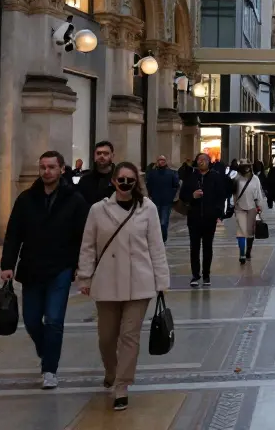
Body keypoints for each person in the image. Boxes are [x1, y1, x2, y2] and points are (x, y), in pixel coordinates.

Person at [77, 162, 169, 412]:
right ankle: (111, 370)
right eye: (122, 179)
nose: (126, 183)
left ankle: (122, 385)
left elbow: (156, 246)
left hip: (139, 280)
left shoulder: (147, 208)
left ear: (136, 183)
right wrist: (84, 277)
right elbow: (88, 246)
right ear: (114, 181)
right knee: (106, 337)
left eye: (131, 179)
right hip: (107, 280)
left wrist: (161, 281)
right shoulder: (98, 210)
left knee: (129, 335)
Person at [0, 151, 88, 390]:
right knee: (30, 319)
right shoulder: (26, 199)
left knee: (54, 319)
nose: (46, 171)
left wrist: (82, 266)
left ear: (61, 169)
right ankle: (45, 349)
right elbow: (13, 233)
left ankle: (50, 369)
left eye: (51, 167)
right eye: (43, 167)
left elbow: (82, 237)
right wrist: (7, 264)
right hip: (32, 267)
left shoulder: (74, 200)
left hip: (61, 267)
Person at [179, 153, 230, 287]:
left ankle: (206, 274)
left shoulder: (215, 177)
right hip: (194, 217)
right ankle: (195, 275)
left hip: (209, 217)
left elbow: (221, 196)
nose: (201, 162)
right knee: (194, 247)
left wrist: (218, 212)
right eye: (199, 160)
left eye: (204, 160)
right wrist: (192, 196)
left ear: (209, 162)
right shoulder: (191, 177)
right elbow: (183, 195)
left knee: (208, 246)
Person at [231, 161, 264, 264]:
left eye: (248, 166)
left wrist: (259, 207)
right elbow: (233, 193)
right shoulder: (236, 178)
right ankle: (242, 254)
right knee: (241, 231)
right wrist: (233, 204)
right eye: (244, 166)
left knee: (249, 232)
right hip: (239, 208)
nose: (246, 168)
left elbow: (258, 194)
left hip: (252, 208)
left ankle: (248, 251)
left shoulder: (255, 179)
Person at [145, 155, 181, 243]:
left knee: (163, 222)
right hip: (155, 200)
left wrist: (171, 196)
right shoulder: (152, 173)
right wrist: (151, 194)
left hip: (166, 201)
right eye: (160, 160)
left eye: (163, 160)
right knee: (155, 222)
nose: (161, 161)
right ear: (157, 161)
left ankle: (163, 239)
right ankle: (156, 238)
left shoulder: (171, 173)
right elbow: (148, 184)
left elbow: (176, 185)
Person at [79, 140, 117, 206]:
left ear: (112, 156)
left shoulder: (119, 179)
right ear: (94, 156)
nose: (102, 156)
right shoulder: (85, 180)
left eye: (106, 153)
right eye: (99, 153)